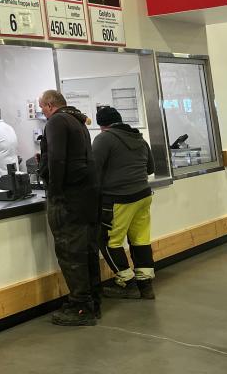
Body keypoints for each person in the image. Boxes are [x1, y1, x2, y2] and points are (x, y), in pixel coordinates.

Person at [38, 89, 101, 326]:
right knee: (87, 250)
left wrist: (55, 191)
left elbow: (56, 159)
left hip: (69, 199)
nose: (41, 112)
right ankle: (92, 301)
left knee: (70, 251)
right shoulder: (78, 121)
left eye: (42, 107)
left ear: (51, 105)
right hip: (88, 196)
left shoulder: (56, 122)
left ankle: (80, 305)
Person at [93, 105, 156, 300]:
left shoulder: (104, 138)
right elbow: (150, 169)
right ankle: (146, 285)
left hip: (118, 199)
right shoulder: (139, 138)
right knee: (140, 239)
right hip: (143, 195)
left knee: (109, 241)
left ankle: (126, 282)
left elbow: (93, 170)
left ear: (102, 125)